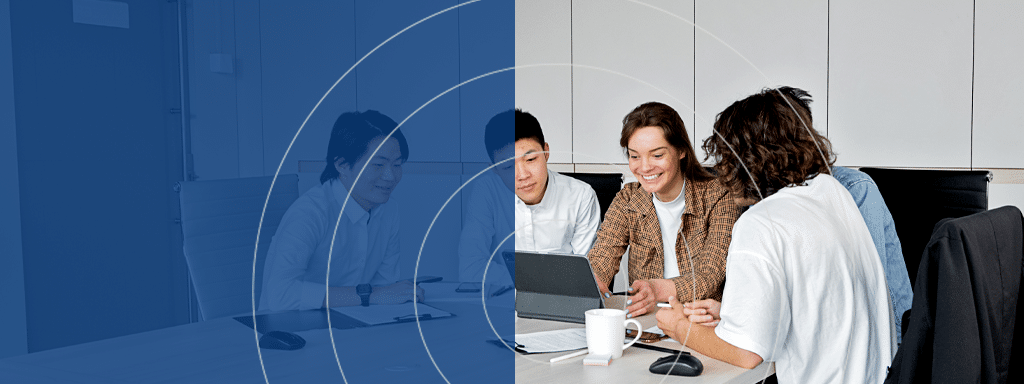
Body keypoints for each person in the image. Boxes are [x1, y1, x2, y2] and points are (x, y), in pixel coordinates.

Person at [657, 87, 893, 382]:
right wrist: (734, 312)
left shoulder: (762, 222)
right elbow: (819, 305)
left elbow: (745, 353)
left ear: (747, 160)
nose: (722, 169)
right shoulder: (831, 193)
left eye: (726, 157)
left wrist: (679, 327)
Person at [587, 102, 739, 318]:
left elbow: (710, 272)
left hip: (701, 322)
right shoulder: (628, 199)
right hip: (647, 325)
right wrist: (593, 280)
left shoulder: (719, 195)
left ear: (682, 151)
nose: (645, 167)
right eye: (634, 156)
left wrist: (656, 290)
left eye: (657, 155)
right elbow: (604, 253)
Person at [259, 110, 423, 311]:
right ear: (342, 165)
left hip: (355, 325)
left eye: (397, 165)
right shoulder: (310, 213)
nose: (390, 176)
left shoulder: (389, 210)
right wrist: (371, 295)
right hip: (294, 329)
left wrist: (390, 296)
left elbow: (385, 288)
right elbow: (279, 295)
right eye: (379, 165)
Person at [459, 109, 601, 284]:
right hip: (503, 301)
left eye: (531, 159)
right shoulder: (486, 192)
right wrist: (540, 279)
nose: (522, 175)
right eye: (508, 167)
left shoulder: (581, 196)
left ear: (546, 152)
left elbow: (586, 274)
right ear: (494, 169)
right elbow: (470, 268)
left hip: (563, 304)